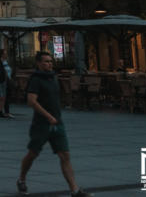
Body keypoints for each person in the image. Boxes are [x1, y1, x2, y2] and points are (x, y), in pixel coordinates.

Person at [16, 51, 92, 197]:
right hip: (41, 124)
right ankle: (21, 179)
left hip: (57, 122)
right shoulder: (36, 79)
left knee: (65, 155)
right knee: (33, 154)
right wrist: (48, 116)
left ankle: (74, 190)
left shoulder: (53, 78)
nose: (49, 64)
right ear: (38, 63)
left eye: (50, 61)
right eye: (45, 61)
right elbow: (31, 101)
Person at [1, 49, 14, 117]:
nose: (6, 55)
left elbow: (9, 70)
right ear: (2, 54)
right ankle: (6, 112)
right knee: (5, 96)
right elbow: (3, 71)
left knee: (5, 96)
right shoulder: (1, 62)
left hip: (9, 80)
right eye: (5, 53)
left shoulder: (6, 61)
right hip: (5, 81)